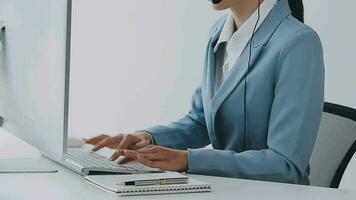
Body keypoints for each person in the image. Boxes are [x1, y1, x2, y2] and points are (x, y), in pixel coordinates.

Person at [85, 0, 324, 184]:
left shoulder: (298, 43)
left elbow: (285, 164)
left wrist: (188, 160)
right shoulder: (218, 33)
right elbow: (201, 122)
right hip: (226, 190)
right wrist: (149, 138)